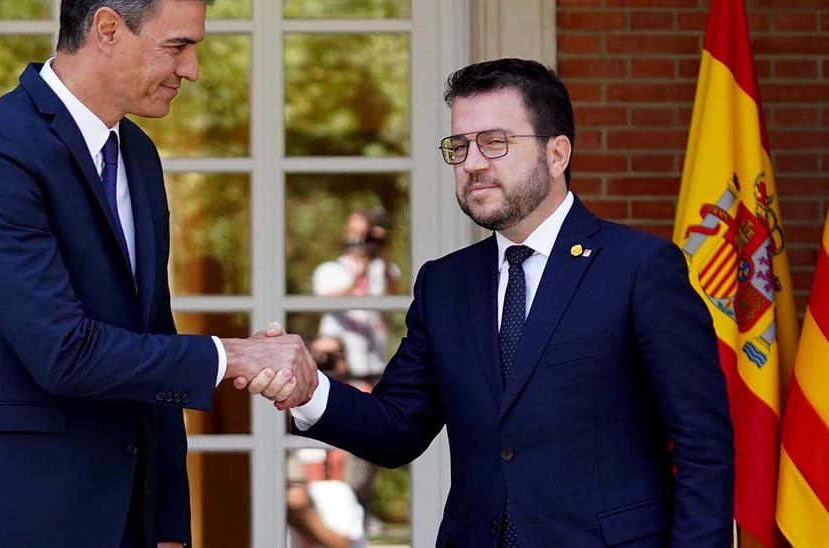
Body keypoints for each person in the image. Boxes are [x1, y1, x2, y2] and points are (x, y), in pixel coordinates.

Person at [250, 58, 734, 546]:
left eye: (495, 142)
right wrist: (309, 391)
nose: (473, 163)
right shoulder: (445, 285)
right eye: (459, 146)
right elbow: (398, 428)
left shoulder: (640, 269)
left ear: (557, 153)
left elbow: (703, 449)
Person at [0, 1, 317, 546]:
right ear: (107, 29)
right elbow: (63, 353)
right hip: (4, 516)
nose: (191, 69)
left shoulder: (138, 156)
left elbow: (152, 335)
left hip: (123, 522)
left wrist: (168, 522)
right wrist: (232, 355)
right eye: (177, 47)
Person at [311, 210, 399, 381]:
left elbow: (395, 296)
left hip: (376, 361)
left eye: (365, 235)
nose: (360, 240)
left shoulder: (383, 270)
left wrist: (383, 253)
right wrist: (360, 272)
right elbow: (327, 298)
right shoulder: (330, 269)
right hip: (341, 363)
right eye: (355, 233)